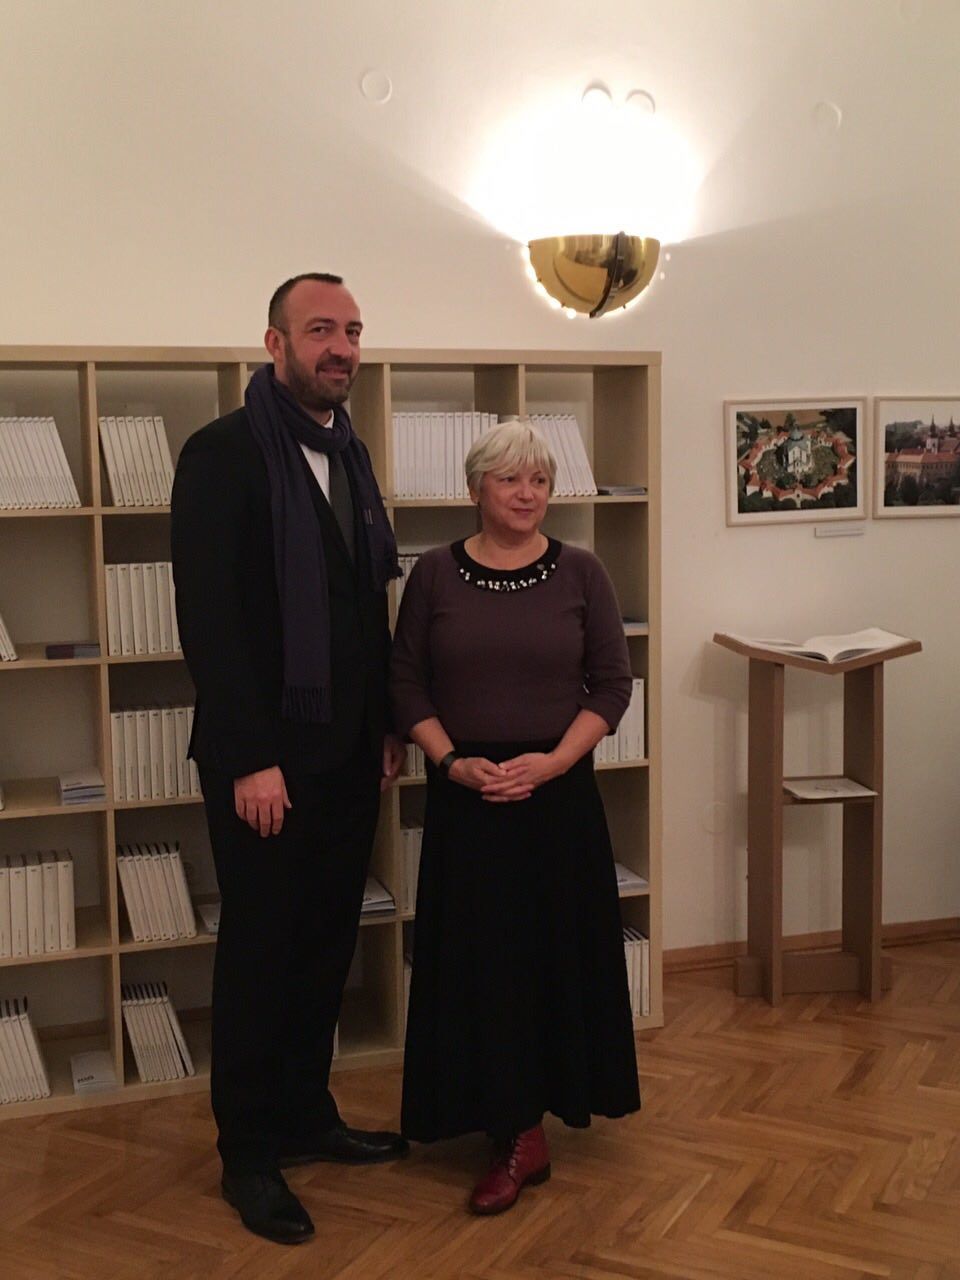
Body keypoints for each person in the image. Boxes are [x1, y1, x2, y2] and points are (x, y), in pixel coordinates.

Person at [171, 272, 408, 1246]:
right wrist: (251, 757)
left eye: (352, 330)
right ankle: (249, 1152)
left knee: (324, 946)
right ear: (275, 343)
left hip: (348, 753)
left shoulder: (351, 452)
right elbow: (210, 622)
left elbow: (364, 606)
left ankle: (308, 1114)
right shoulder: (222, 454)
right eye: (320, 329)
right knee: (262, 952)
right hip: (264, 763)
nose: (340, 347)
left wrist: (386, 722)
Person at [390, 418, 641, 1215]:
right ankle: (495, 1115)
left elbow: (612, 684)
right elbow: (405, 683)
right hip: (468, 799)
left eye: (539, 480)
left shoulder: (583, 572)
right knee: (480, 966)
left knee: (545, 962)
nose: (527, 494)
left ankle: (525, 1134)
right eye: (510, 479)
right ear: (476, 489)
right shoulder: (434, 574)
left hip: (556, 800)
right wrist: (451, 763)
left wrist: (556, 762)